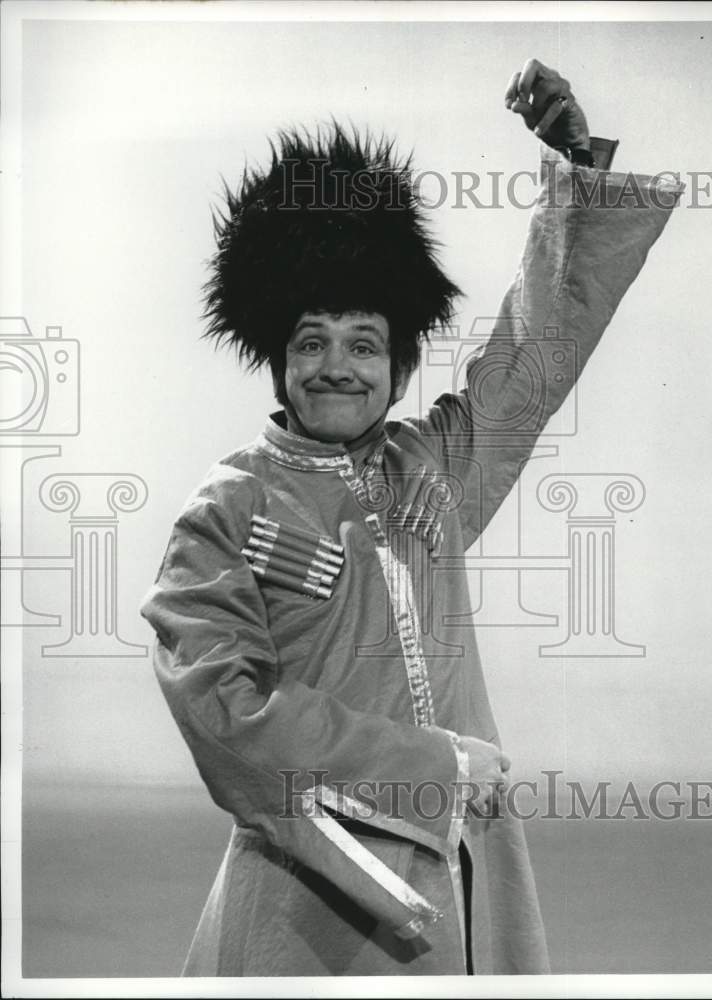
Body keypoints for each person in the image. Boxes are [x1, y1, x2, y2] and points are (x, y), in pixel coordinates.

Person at [140, 59, 682, 976]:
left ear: (398, 368)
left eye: (365, 343)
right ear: (277, 361)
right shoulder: (224, 513)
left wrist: (577, 168)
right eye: (310, 342)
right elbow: (227, 717)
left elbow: (537, 356)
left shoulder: (430, 471)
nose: (337, 367)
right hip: (308, 910)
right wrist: (435, 766)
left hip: (467, 886)